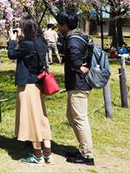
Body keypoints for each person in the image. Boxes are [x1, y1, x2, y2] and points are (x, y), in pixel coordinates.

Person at [8, 19, 52, 165]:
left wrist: (12, 40)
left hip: (27, 85)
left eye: (20, 28)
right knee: (41, 116)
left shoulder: (27, 44)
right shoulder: (41, 42)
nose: (18, 31)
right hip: (38, 84)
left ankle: (37, 155)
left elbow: (12, 54)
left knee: (32, 119)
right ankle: (47, 153)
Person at [56, 11, 94, 165]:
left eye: (59, 24)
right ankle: (82, 148)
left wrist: (79, 67)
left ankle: (87, 155)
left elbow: (75, 59)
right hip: (77, 84)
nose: (58, 27)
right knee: (72, 117)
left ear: (65, 25)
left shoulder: (73, 39)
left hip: (78, 85)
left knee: (79, 118)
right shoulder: (79, 36)